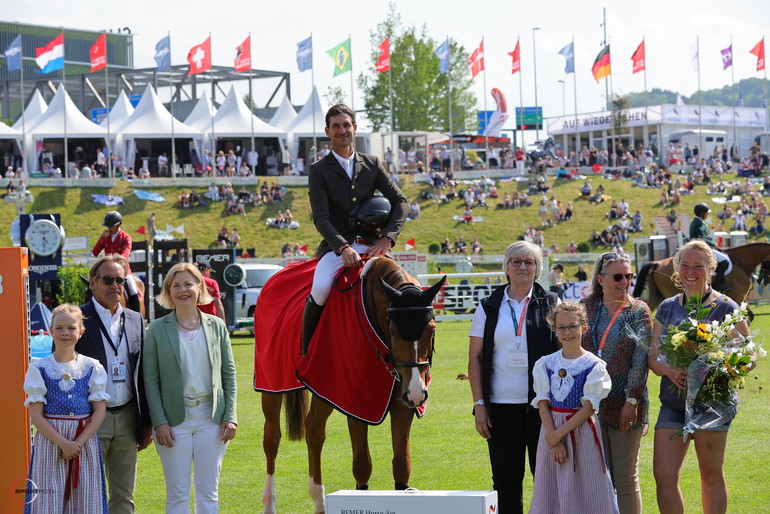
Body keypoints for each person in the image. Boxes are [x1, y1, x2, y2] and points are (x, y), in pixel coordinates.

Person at [647, 240, 750, 513]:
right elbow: (652, 353)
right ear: (677, 268)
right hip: (673, 402)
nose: (690, 271)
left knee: (710, 476)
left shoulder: (727, 307)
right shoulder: (668, 306)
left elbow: (747, 357)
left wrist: (716, 369)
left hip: (712, 406)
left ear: (711, 269)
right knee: (664, 476)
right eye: (685, 265)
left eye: (699, 266)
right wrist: (668, 370)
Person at [303, 104, 409, 354]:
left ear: (355, 129)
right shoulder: (318, 170)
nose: (342, 131)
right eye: (336, 126)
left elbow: (401, 202)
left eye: (346, 125)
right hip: (337, 248)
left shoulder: (372, 163)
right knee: (319, 288)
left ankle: (407, 353)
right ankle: (307, 350)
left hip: (374, 246)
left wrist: (387, 240)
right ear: (328, 131)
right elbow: (321, 217)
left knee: (403, 287)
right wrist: (342, 247)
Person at [468, 241, 560, 513]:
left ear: (537, 269)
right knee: (505, 482)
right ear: (506, 268)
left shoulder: (552, 303)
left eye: (529, 262)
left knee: (548, 480)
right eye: (517, 262)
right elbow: (475, 357)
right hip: (500, 407)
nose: (522, 267)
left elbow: (565, 349)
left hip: (544, 408)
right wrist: (480, 404)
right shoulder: (489, 306)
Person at [143, 263, 237, 513]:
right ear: (168, 291)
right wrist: (159, 422)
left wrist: (231, 416)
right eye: (176, 285)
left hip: (212, 418)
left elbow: (229, 375)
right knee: (177, 494)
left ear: (200, 287)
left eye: (188, 284)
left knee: (208, 493)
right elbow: (150, 380)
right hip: (173, 421)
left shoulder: (216, 326)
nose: (182, 290)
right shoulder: (156, 329)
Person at [76, 255, 151, 514]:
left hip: (128, 417)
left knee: (124, 495)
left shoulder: (134, 319)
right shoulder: (78, 320)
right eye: (108, 280)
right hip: (90, 419)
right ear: (93, 283)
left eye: (120, 280)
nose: (115, 285)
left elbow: (143, 374)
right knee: (88, 492)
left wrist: (146, 422)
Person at [529, 302, 617, 514]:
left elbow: (588, 408)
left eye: (572, 326)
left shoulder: (594, 365)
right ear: (555, 329)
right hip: (550, 432)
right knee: (550, 487)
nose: (567, 332)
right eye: (561, 327)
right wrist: (553, 438)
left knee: (587, 485)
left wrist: (558, 434)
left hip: (581, 431)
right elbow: (543, 402)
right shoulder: (545, 363)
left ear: (583, 327)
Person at [581, 252, 651, 513]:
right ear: (600, 279)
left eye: (629, 276)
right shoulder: (585, 307)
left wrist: (631, 400)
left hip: (626, 404)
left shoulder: (638, 310)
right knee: (599, 479)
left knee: (625, 478)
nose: (625, 282)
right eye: (618, 276)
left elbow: (640, 360)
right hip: (589, 405)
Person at [24, 304, 110, 513]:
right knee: (47, 501)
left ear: (81, 332)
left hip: (83, 441)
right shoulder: (39, 368)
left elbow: (99, 411)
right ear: (51, 330)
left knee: (85, 499)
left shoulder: (92, 367)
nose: (65, 333)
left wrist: (77, 443)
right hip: (51, 441)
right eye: (60, 328)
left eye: (71, 328)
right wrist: (63, 443)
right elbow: (36, 415)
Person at [92, 211, 142, 312]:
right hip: (106, 272)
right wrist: (101, 238)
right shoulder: (106, 237)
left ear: (118, 224)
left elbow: (125, 255)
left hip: (123, 271)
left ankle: (137, 315)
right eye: (108, 226)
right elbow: (95, 252)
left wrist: (115, 263)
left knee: (132, 288)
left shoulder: (126, 237)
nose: (109, 228)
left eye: (111, 226)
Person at [689, 203, 730, 291]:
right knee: (725, 261)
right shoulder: (698, 224)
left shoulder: (698, 222)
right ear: (702, 213)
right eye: (706, 213)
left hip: (701, 247)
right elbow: (701, 239)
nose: (707, 215)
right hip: (701, 249)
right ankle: (719, 284)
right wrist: (713, 243)